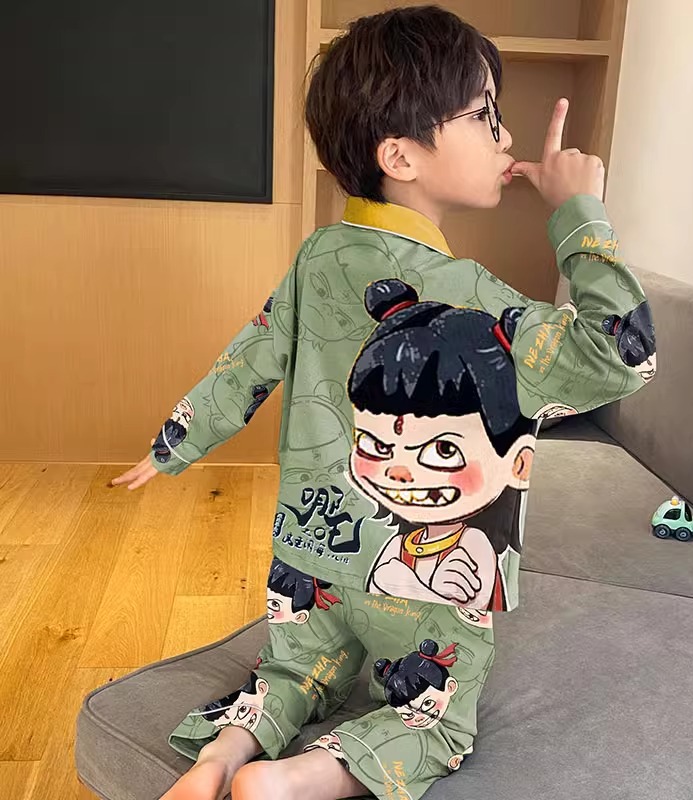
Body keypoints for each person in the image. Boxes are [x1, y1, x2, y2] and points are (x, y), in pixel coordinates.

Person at [112, 6, 656, 800]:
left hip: (313, 552)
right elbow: (622, 355)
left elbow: (250, 359)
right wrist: (580, 212)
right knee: (435, 718)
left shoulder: (319, 256)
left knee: (294, 670)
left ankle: (220, 758)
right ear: (400, 154)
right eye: (484, 116)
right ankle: (295, 782)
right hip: (429, 578)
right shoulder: (475, 301)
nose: (505, 136)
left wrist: (172, 445)